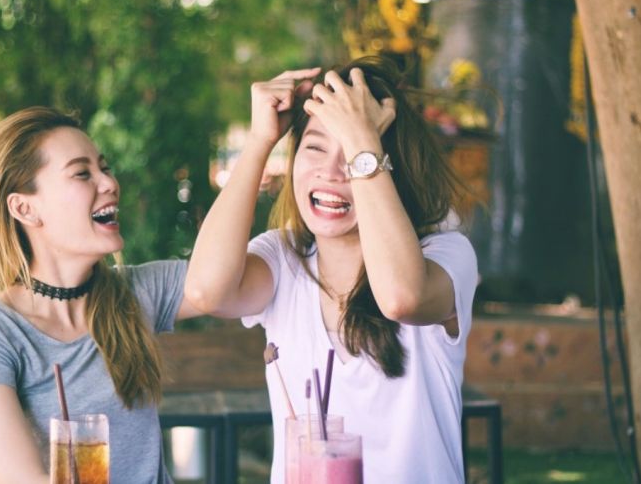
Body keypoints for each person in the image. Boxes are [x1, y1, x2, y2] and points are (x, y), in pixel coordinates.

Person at [185, 56, 478, 483]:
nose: (332, 172)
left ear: (384, 166)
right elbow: (205, 291)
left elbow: (401, 297)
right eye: (316, 146)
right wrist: (259, 142)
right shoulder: (283, 259)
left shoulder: (446, 254)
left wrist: (365, 143)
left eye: (357, 155)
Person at [0, 106, 200, 484]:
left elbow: (228, 278)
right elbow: (19, 478)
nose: (110, 183)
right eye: (83, 173)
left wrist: (259, 144)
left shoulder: (137, 292)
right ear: (25, 208)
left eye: (105, 167)